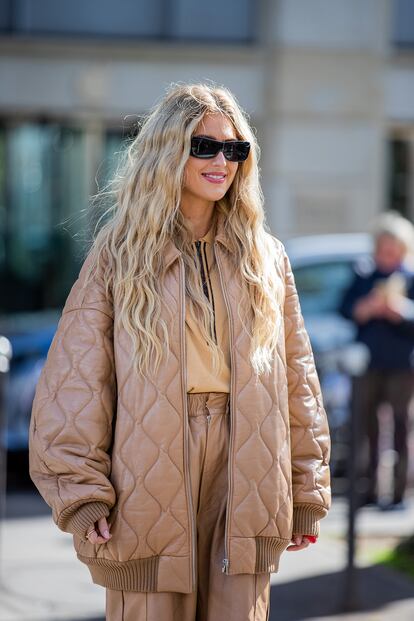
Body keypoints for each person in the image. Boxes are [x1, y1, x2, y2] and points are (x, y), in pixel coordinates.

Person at [29, 83, 331, 621]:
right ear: (169, 151)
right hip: (149, 463)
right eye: (204, 146)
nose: (222, 161)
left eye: (235, 149)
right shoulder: (120, 254)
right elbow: (77, 380)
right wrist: (80, 492)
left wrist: (306, 490)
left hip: (249, 465)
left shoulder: (266, 257)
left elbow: (297, 379)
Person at [339, 211, 414, 511]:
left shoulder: (409, 278)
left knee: (400, 428)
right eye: (383, 249)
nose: (387, 255)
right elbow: (345, 309)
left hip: (401, 365)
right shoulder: (364, 276)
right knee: (365, 428)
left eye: (393, 249)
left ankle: (398, 493)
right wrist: (366, 307)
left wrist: (401, 311)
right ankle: (366, 490)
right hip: (366, 365)